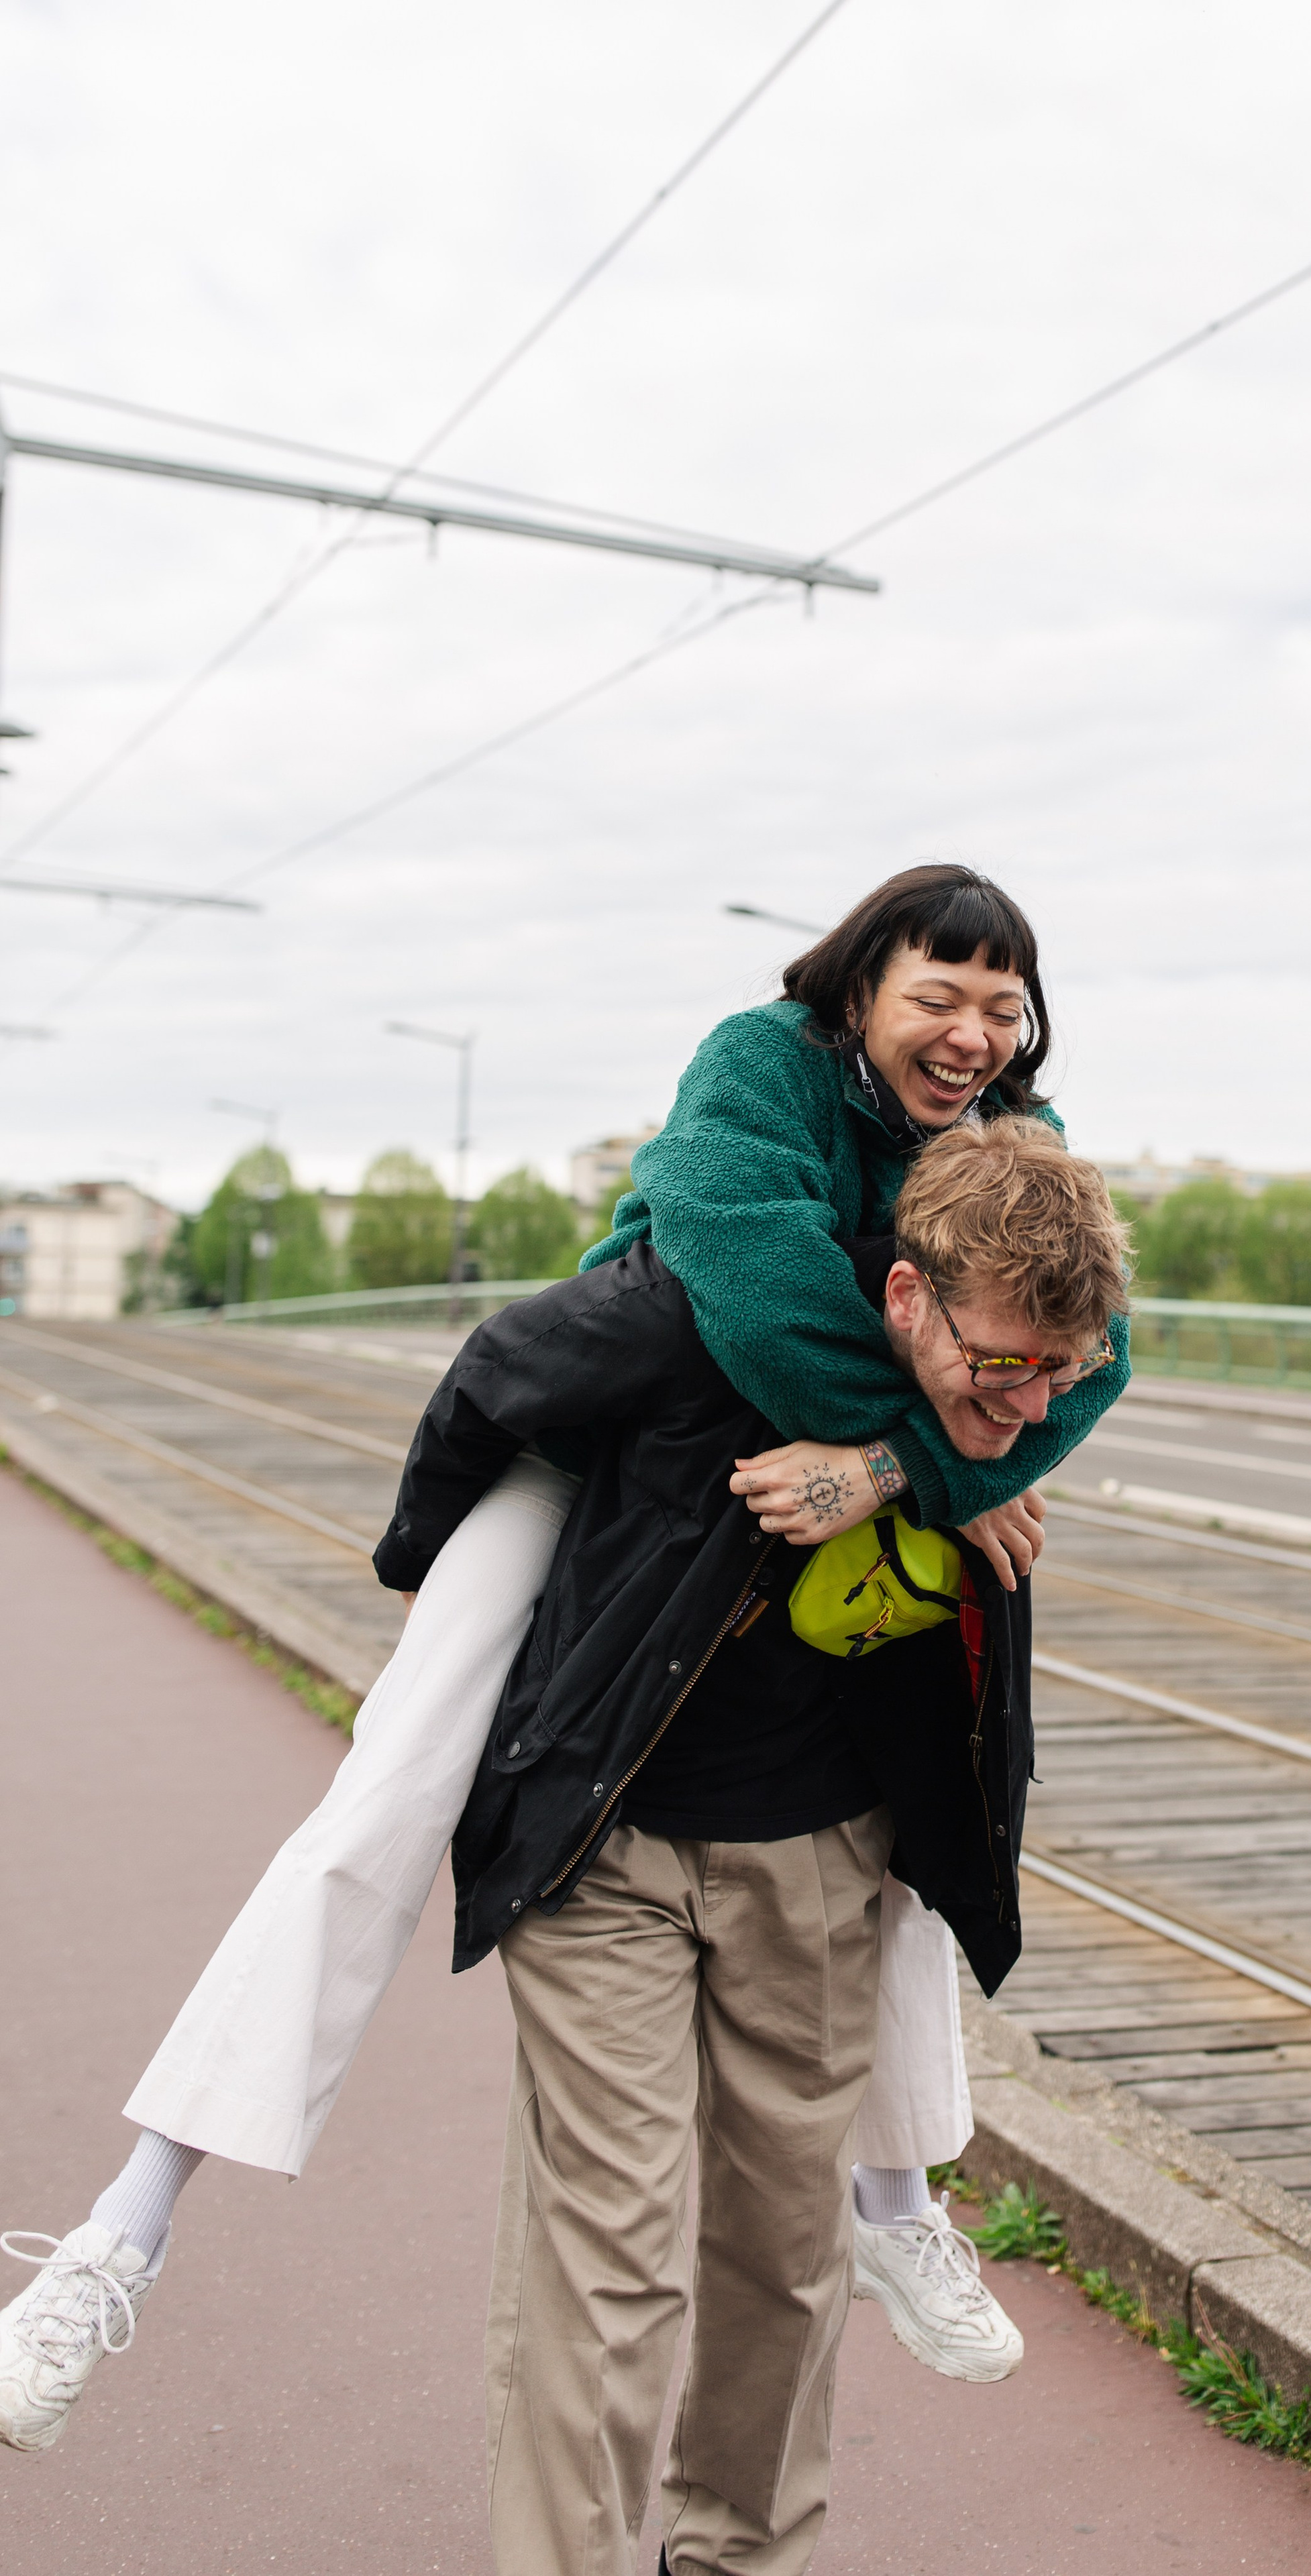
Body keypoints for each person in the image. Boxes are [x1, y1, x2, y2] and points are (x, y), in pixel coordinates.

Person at [0, 865, 1131, 2453]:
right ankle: (123, 2231)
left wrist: (915, 1471)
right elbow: (752, 1306)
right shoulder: (759, 1068)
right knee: (389, 1795)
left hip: (836, 1488)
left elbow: (1093, 1355)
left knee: (908, 1816)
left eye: (1001, 1007)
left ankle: (894, 2202)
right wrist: (949, 1458)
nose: (970, 1033)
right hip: (608, 1447)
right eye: (936, 996)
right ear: (858, 992)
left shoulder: (1017, 1142)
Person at [396, 1116, 1132, 2575]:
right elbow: (490, 1377)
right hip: (606, 1851)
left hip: (812, 1860)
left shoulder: (984, 1420)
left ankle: (739, 2557)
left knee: (784, 2258)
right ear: (907, 1300)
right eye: (1002, 1367)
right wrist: (459, 1612)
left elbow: (985, 1451)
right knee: (608, 2255)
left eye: (1065, 1373)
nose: (1031, 1404)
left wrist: (936, 1450)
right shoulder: (688, 1318)